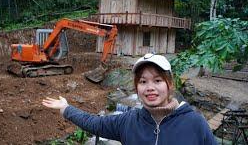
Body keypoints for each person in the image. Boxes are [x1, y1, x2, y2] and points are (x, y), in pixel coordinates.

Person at [42, 53, 217, 145]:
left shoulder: (195, 124)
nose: (150, 87)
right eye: (143, 81)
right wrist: (66, 108)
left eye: (157, 80)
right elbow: (94, 122)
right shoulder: (128, 121)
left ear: (170, 84)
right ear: (136, 87)